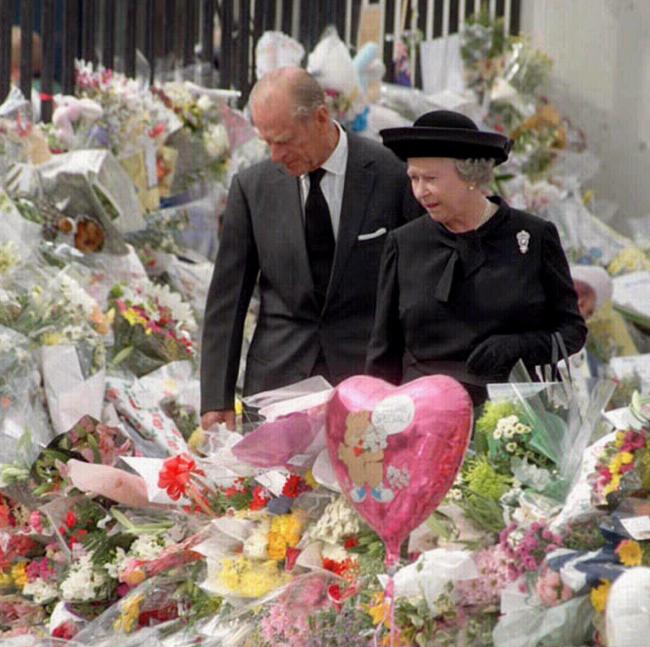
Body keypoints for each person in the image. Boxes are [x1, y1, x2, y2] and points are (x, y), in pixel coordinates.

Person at [200, 67, 419, 430]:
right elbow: (227, 300)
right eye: (266, 141)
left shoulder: (390, 175)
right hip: (278, 381)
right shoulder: (252, 188)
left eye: (284, 140)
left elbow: (413, 289)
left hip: (366, 380)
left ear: (321, 118)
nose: (274, 155)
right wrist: (216, 398)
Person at [365, 110, 587, 406]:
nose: (420, 192)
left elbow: (572, 331)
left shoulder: (534, 236)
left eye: (430, 178)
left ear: (470, 176)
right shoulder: (404, 243)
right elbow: (384, 351)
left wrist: (519, 347)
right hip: (425, 418)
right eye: (413, 178)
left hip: (514, 419)